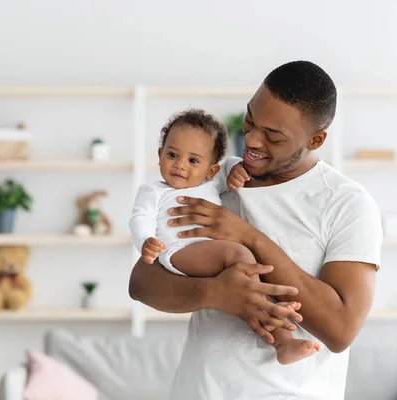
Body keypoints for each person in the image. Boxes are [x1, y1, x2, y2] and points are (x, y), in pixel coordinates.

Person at [129, 60, 383, 400]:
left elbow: (341, 330)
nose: (251, 140)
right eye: (250, 121)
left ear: (316, 139)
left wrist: (247, 236)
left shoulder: (346, 204)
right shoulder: (214, 179)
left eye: (273, 137)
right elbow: (141, 282)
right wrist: (215, 293)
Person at [129, 108, 321, 365]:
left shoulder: (211, 182)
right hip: (177, 252)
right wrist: (145, 241)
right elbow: (140, 217)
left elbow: (231, 162)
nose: (180, 165)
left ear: (210, 170)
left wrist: (235, 171)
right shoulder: (153, 191)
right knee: (239, 254)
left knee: (243, 286)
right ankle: (282, 336)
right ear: (160, 155)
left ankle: (282, 342)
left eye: (193, 161)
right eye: (172, 155)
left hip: (205, 252)